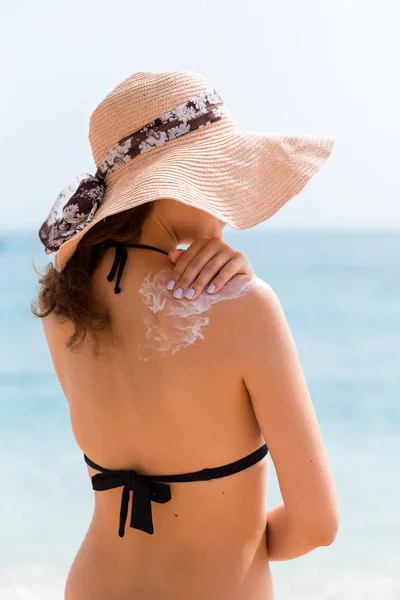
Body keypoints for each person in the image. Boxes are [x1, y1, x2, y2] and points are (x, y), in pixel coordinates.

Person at [31, 71, 338, 600]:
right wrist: (229, 545)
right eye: (216, 179)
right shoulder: (243, 305)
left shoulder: (63, 303)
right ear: (174, 185)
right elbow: (318, 525)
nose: (226, 204)